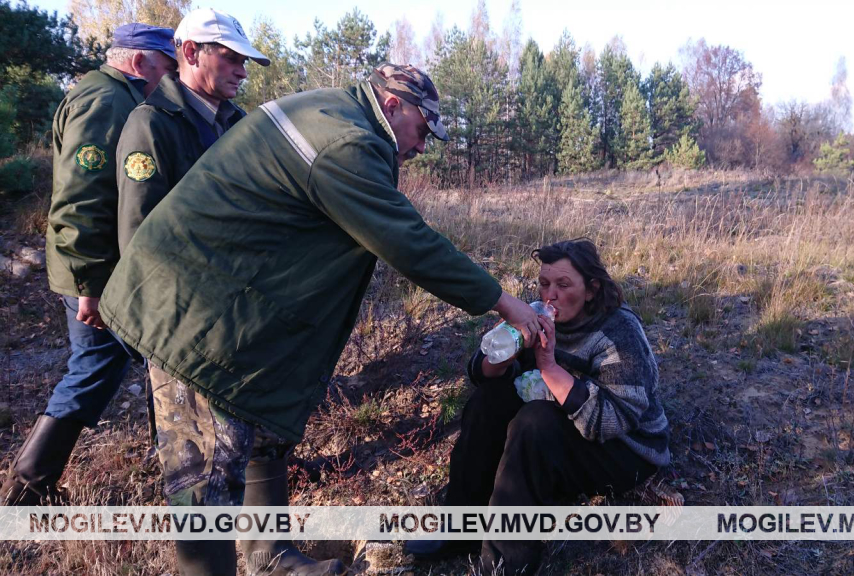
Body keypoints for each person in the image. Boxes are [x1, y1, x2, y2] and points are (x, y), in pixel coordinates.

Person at [97, 63, 542, 575]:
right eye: (423, 131)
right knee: (206, 478)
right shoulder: (344, 142)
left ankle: (270, 555)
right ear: (392, 105)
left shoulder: (332, 110)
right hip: (196, 316)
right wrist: (505, 301)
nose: (423, 147)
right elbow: (407, 242)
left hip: (231, 302)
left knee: (259, 431)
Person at [408, 239, 671, 575]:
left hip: (627, 450)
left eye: (563, 285)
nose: (551, 295)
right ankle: (461, 527)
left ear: (591, 290)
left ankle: (506, 565)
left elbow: (610, 421)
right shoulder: (537, 312)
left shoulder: (619, 331)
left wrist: (548, 364)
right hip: (565, 430)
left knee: (535, 423)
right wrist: (506, 352)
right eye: (544, 283)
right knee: (487, 401)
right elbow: (479, 373)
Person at [0, 24, 177, 507]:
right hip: (95, 272)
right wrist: (90, 284)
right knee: (106, 364)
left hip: (98, 268)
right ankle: (28, 488)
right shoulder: (107, 102)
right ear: (140, 63)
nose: (169, 79)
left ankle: (31, 484)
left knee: (104, 364)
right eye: (165, 67)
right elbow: (82, 201)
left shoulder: (108, 94)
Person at [116, 8, 259, 252]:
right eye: (231, 58)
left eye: (243, 62)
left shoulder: (238, 122)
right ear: (191, 52)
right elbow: (138, 237)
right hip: (181, 284)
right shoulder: (151, 124)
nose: (242, 72)